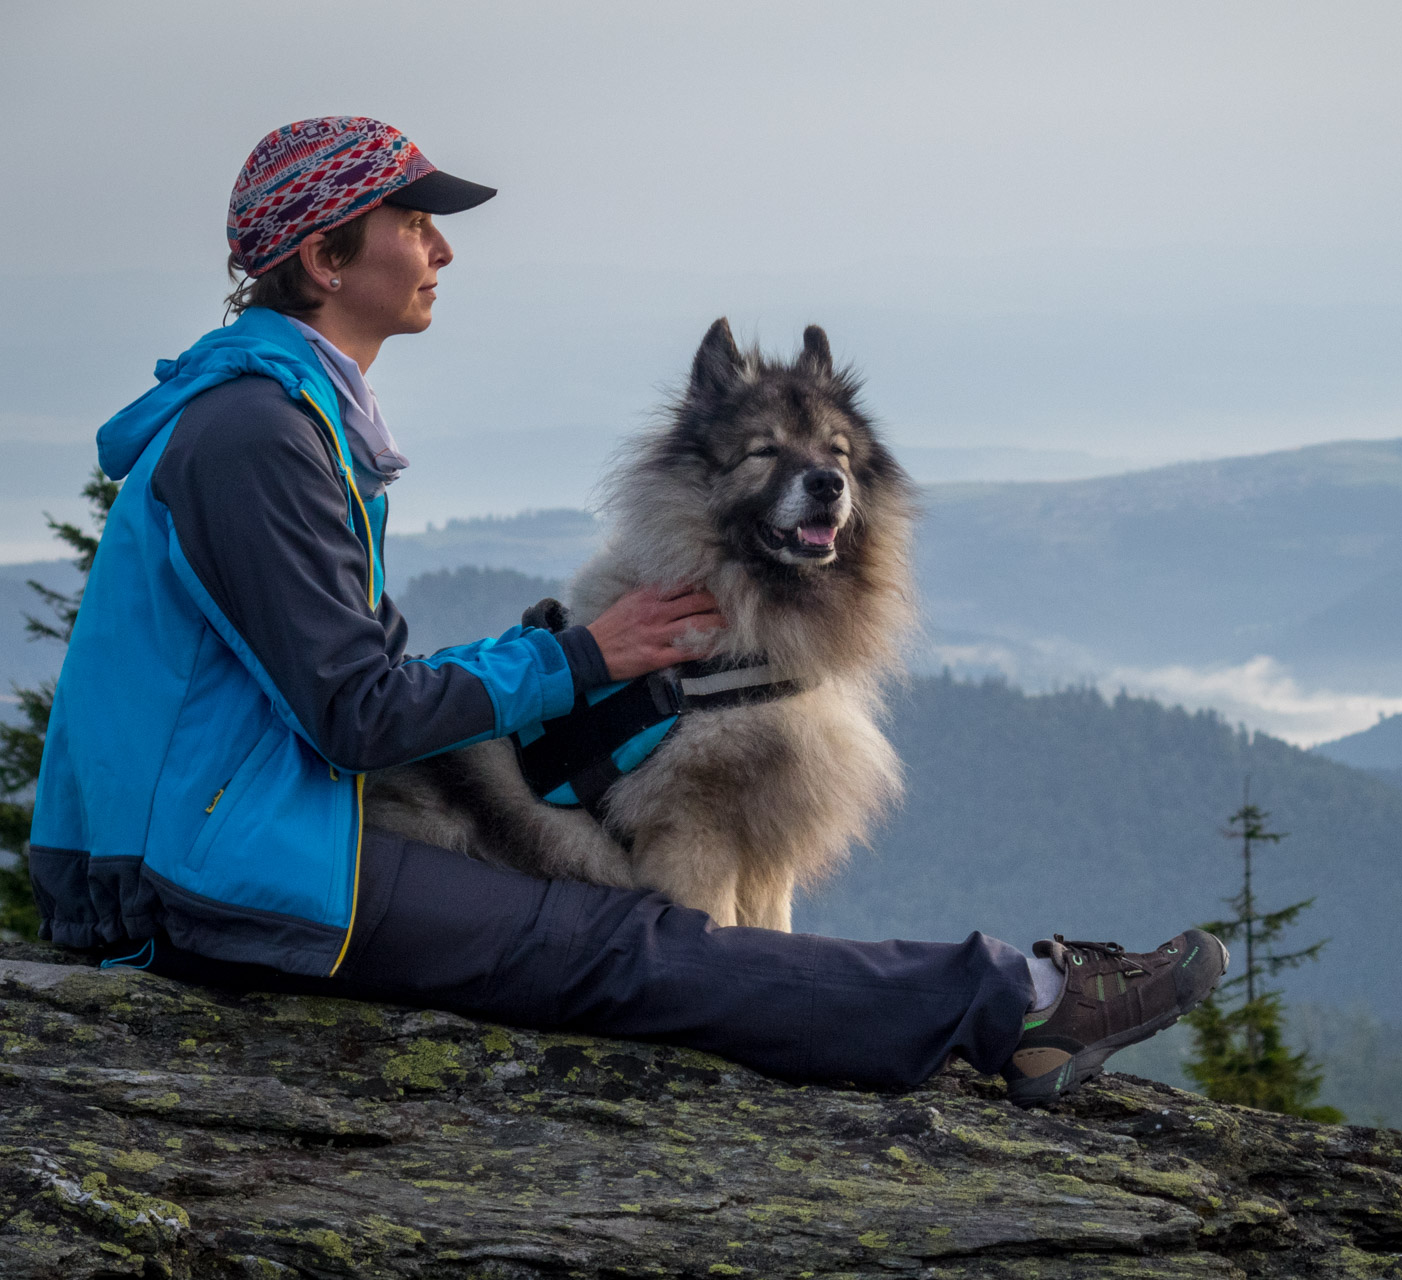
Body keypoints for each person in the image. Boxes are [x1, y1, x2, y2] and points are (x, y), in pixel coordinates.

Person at [26, 117, 1224, 1106]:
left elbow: (347, 676)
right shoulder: (256, 436)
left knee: (597, 905)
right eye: (412, 222)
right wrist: (578, 652)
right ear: (326, 260)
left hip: (227, 838)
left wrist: (562, 665)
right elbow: (357, 709)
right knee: (622, 941)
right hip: (202, 879)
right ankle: (1019, 1000)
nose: (441, 248)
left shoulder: (284, 416)